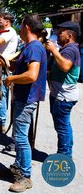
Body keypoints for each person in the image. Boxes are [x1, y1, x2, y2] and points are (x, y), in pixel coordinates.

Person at [4, 15, 47, 192]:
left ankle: (26, 176)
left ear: (27, 27)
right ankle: (18, 167)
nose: (19, 29)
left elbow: (32, 75)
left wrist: (11, 78)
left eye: (21, 26)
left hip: (26, 98)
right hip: (23, 97)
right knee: (19, 135)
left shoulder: (34, 47)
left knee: (21, 138)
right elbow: (22, 69)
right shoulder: (30, 47)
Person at [45, 21, 80, 158]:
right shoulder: (68, 49)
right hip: (61, 95)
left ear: (70, 35)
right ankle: (66, 153)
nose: (58, 34)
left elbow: (65, 66)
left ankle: (65, 155)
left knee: (62, 127)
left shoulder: (70, 49)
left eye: (61, 32)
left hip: (63, 97)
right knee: (64, 126)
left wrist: (54, 50)